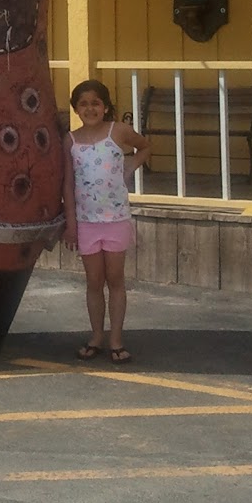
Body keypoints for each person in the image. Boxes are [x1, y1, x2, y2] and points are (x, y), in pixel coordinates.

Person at [62, 79, 150, 364]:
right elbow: (68, 184)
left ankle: (116, 340)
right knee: (93, 281)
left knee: (115, 280)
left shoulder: (118, 131)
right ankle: (96, 336)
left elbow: (145, 146)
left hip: (116, 219)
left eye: (95, 103)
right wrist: (71, 224)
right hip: (87, 222)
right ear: (76, 109)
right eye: (83, 104)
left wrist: (130, 166)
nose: (90, 108)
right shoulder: (71, 140)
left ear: (106, 106)